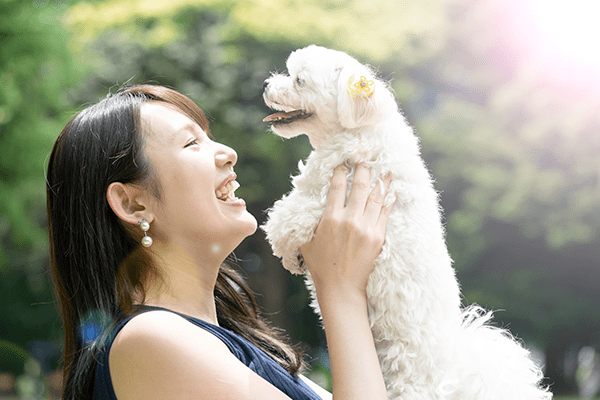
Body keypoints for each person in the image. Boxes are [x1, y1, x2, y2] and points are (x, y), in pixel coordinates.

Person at [46, 84, 392, 400]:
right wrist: (340, 289)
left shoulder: (223, 340)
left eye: (209, 137)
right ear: (133, 204)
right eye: (191, 142)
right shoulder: (150, 341)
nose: (228, 152)